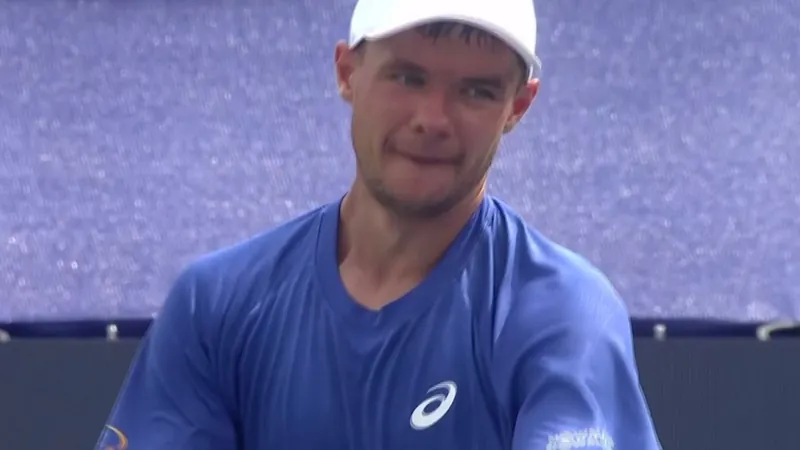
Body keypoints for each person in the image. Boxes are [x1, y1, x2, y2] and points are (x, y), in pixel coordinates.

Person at [95, 0, 663, 448]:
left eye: (477, 91)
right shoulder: (215, 303)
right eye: (408, 78)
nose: (433, 119)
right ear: (347, 72)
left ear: (518, 106)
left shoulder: (564, 315)